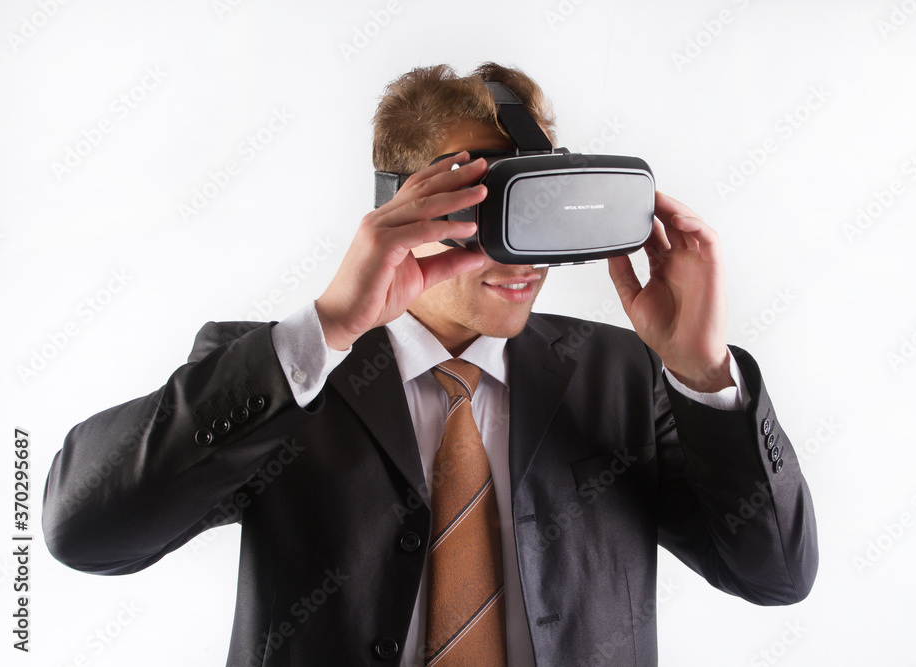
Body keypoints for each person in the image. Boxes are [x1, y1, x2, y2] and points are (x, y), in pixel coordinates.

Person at [43, 63, 818, 666]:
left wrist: (706, 372)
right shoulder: (287, 374)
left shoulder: (623, 375)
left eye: (536, 207)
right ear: (402, 205)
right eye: (482, 206)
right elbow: (84, 529)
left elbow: (776, 575)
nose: (519, 253)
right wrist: (325, 330)